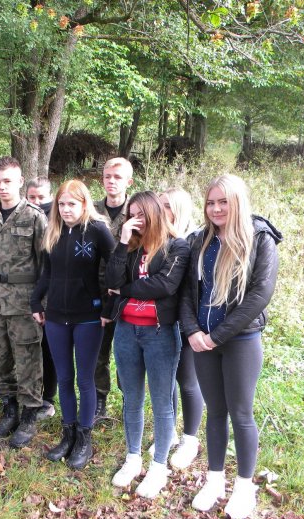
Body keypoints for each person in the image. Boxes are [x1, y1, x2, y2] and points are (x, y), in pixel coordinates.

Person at [180, 174, 281, 519]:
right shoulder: (200, 240)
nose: (216, 208)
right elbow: (186, 293)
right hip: (202, 341)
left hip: (239, 341)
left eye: (223, 201)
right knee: (215, 411)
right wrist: (192, 330)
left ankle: (243, 487)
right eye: (210, 202)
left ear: (237, 201)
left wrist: (216, 336)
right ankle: (214, 479)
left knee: (240, 413)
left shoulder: (260, 239)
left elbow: (259, 296)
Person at [106, 191, 190, 499]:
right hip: (127, 331)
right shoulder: (130, 245)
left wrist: (125, 289)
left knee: (162, 402)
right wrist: (123, 241)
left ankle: (158, 467)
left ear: (155, 213)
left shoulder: (177, 246)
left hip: (160, 333)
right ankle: (132, 458)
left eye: (141, 215)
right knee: (131, 399)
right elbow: (110, 279)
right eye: (131, 215)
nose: (135, 220)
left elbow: (164, 286)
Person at [30, 180, 115, 469]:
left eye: (72, 204)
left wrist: (109, 306)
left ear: (84, 204)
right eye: (62, 204)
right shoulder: (52, 231)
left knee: (84, 379)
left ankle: (84, 438)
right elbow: (46, 274)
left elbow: (116, 266)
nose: (66, 210)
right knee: (64, 378)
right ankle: (67, 435)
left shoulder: (97, 230)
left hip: (88, 317)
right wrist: (35, 302)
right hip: (55, 316)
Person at [0, 156, 47, 448]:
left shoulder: (34, 217)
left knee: (27, 357)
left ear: (20, 182)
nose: (2, 187)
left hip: (24, 300)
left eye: (8, 181)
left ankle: (30, 414)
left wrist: (40, 303)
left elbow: (45, 264)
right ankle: (9, 409)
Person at [146, 187, 204, 469]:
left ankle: (190, 439)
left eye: (167, 205)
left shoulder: (196, 239)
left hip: (189, 322)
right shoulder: (159, 239)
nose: (162, 210)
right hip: (164, 320)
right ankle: (167, 434)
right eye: (160, 205)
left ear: (179, 208)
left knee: (187, 380)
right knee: (165, 378)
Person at [93, 157, 133, 420]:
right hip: (95, 291)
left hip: (128, 293)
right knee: (98, 352)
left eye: (118, 177)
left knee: (127, 352)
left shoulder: (138, 210)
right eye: (108, 176)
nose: (112, 181)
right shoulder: (92, 210)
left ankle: (131, 402)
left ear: (129, 181)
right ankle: (99, 400)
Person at [25, 176, 58, 421]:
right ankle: (28, 393)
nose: (37, 202)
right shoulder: (25, 217)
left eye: (42, 198)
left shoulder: (57, 220)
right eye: (32, 198)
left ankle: (48, 397)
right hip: (25, 293)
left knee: (49, 349)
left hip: (52, 295)